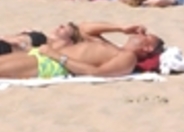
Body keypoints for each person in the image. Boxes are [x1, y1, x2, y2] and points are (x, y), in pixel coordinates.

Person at [0, 22, 163, 79]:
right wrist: (120, 28)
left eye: (146, 35)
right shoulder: (112, 47)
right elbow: (84, 28)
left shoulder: (127, 58)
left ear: (147, 48)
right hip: (44, 55)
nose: (140, 33)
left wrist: (57, 56)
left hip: (52, 63)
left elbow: (97, 72)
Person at [0, 22, 83, 55]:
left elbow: (41, 54)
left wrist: (21, 44)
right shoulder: (47, 38)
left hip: (7, 49)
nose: (60, 26)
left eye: (63, 28)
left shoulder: (54, 46)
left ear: (69, 40)